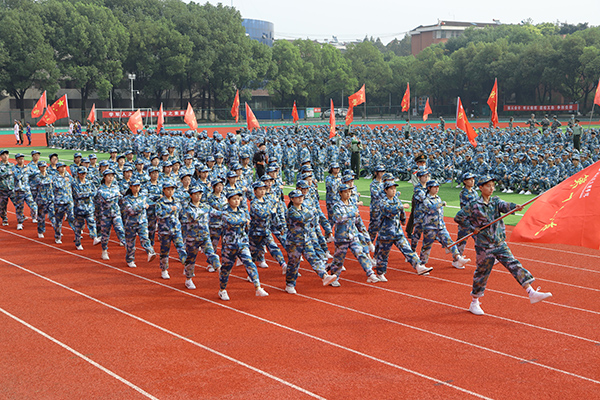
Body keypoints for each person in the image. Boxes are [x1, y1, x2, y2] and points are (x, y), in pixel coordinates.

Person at [454, 176, 552, 316]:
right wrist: (471, 228)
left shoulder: (495, 201)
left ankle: (531, 292)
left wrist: (514, 207)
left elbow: (504, 205)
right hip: (484, 246)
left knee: (514, 264)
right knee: (482, 273)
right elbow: (459, 217)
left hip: (499, 242)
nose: (491, 188)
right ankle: (474, 302)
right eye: (488, 186)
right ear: (481, 187)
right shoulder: (474, 205)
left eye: (493, 185)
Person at [217, 190, 268, 301]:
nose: (236, 201)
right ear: (228, 200)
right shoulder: (225, 212)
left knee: (250, 263)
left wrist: (245, 222)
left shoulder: (242, 211)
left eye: (238, 199)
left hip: (242, 243)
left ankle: (258, 287)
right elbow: (232, 222)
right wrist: (244, 221)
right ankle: (222, 289)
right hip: (230, 246)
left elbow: (247, 224)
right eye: (234, 199)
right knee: (226, 269)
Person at [375, 181, 432, 278]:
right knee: (383, 254)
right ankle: (380, 273)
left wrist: (403, 219)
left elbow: (401, 212)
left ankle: (418, 266)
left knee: (407, 249)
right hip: (386, 233)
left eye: (394, 188)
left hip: (398, 232)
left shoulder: (396, 199)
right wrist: (401, 206)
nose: (394, 191)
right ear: (385, 190)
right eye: (391, 189)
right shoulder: (382, 202)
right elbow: (390, 210)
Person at [284, 189, 337, 293]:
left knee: (314, 258)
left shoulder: (305, 208)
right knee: (293, 264)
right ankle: (289, 284)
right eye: (297, 197)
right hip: (294, 242)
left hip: (306, 240)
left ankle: (324, 276)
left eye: (301, 196)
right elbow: (303, 218)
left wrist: (310, 213)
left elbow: (311, 218)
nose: (300, 198)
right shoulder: (291, 211)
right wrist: (312, 212)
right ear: (292, 199)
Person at [329, 184, 380, 283]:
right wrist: (351, 214)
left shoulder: (352, 204)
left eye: (349, 191)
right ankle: (334, 278)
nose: (348, 194)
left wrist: (364, 234)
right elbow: (338, 218)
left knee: (361, 254)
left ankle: (370, 273)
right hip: (342, 237)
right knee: (339, 259)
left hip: (353, 235)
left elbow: (358, 220)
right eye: (345, 192)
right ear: (340, 193)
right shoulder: (337, 206)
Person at [419, 180, 470, 270]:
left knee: (449, 241)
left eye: (437, 187)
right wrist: (441, 204)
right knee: (427, 246)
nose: (437, 189)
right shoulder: (426, 199)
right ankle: (422, 264)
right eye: (434, 187)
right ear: (429, 188)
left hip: (440, 226)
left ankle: (458, 258)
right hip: (430, 227)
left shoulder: (438, 198)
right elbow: (431, 208)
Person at [180, 186, 221, 289]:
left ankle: (219, 268)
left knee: (211, 253)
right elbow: (194, 216)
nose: (198, 196)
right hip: (192, 238)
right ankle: (188, 279)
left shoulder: (205, 206)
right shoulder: (187, 207)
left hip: (205, 236)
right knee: (191, 259)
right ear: (191, 195)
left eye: (200, 194)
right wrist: (205, 211)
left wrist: (228, 214)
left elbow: (216, 213)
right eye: (196, 194)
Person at [248, 180, 287, 272]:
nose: (262, 191)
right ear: (255, 191)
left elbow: (273, 217)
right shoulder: (254, 203)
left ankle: (283, 265)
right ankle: (251, 273)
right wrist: (272, 211)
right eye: (260, 189)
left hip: (266, 231)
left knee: (274, 247)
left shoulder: (268, 202)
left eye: (264, 189)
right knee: (253, 254)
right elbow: (261, 215)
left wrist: (280, 227)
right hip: (256, 233)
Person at [155, 179, 187, 279]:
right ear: (164, 190)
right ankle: (164, 269)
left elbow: (181, 214)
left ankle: (187, 266)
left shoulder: (177, 201)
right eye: (168, 189)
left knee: (181, 248)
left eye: (172, 189)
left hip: (176, 229)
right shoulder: (160, 202)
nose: (170, 191)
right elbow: (158, 214)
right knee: (165, 251)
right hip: (165, 231)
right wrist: (169, 209)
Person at [121, 179, 156, 268]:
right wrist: (143, 206)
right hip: (131, 224)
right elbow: (131, 211)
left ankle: (150, 252)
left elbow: (152, 203)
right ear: (130, 187)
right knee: (130, 243)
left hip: (142, 222)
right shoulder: (126, 199)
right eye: (134, 186)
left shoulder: (143, 197)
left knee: (145, 238)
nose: (137, 188)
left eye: (138, 186)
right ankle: (130, 259)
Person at [96, 169, 126, 260]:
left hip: (116, 213)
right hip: (105, 215)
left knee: (120, 229)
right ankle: (104, 250)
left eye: (112, 176)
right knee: (105, 234)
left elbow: (120, 198)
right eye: (109, 176)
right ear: (104, 177)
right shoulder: (101, 189)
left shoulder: (115, 187)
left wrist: (118, 195)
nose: (110, 178)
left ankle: (127, 246)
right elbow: (106, 198)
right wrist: (116, 195)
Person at [71, 166, 99, 250]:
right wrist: (89, 193)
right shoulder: (74, 183)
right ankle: (78, 243)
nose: (83, 175)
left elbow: (95, 192)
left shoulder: (89, 182)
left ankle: (94, 237)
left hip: (89, 208)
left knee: (92, 222)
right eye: (81, 173)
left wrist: (86, 193)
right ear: (78, 174)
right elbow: (78, 195)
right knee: (79, 227)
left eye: (85, 173)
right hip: (79, 208)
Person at [12, 153, 38, 230]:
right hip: (19, 191)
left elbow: (33, 174)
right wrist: (24, 170)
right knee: (19, 208)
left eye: (22, 159)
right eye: (19, 159)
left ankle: (35, 216)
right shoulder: (14, 168)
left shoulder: (27, 167)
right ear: (16, 160)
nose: (21, 160)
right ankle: (20, 223)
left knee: (33, 205)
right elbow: (17, 176)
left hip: (27, 190)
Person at [51, 162, 75, 244]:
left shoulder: (68, 175)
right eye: (61, 167)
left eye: (64, 167)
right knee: (58, 221)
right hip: (59, 202)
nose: (63, 168)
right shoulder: (55, 177)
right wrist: (64, 180)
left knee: (72, 218)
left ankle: (77, 234)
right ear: (57, 169)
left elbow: (73, 182)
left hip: (69, 201)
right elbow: (58, 186)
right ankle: (58, 237)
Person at [456, 172, 478, 257]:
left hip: (474, 220)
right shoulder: (464, 193)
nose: (472, 181)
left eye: (473, 179)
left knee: (480, 239)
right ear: (464, 181)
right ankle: (457, 258)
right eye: (469, 179)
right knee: (462, 240)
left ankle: (489, 256)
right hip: (465, 220)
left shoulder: (475, 192)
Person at [0, 149, 17, 226]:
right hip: (2, 189)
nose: (5, 156)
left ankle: (20, 217)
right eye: (3, 155)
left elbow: (15, 175)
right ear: (1, 156)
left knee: (18, 203)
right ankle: (4, 219)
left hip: (12, 188)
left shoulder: (12, 165)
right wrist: (9, 173)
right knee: (2, 206)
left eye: (6, 154)